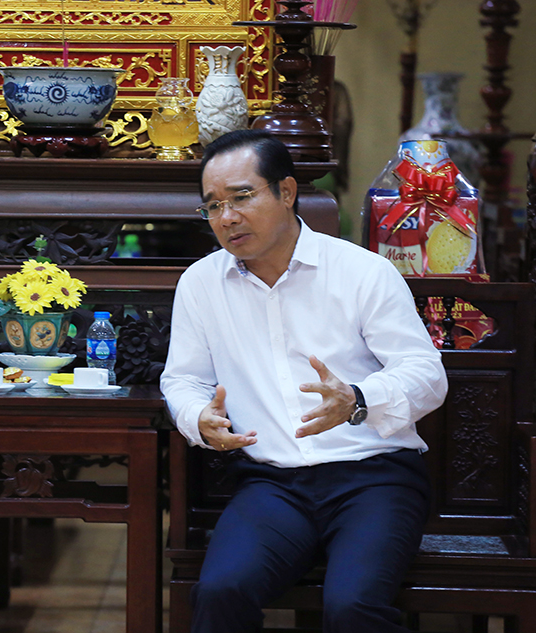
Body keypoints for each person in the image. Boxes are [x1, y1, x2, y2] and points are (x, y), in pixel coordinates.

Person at [160, 129, 447, 633]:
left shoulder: (363, 272)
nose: (227, 217)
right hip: (272, 485)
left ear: (286, 192)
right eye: (213, 206)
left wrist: (358, 398)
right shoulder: (201, 283)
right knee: (221, 592)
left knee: (353, 607)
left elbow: (427, 375)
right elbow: (183, 379)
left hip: (374, 478)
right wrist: (197, 418)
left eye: (242, 197)